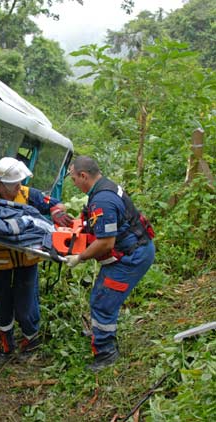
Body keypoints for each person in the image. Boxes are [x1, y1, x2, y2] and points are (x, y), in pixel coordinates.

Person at [65, 156, 155, 371]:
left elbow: (105, 242)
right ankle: (101, 334)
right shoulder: (104, 187)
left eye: (73, 179)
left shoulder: (102, 200)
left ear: (83, 176)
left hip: (132, 257)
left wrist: (80, 257)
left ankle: (106, 353)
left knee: (103, 301)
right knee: (100, 295)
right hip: (132, 250)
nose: (73, 183)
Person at [0, 157, 73, 365]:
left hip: (27, 261)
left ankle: (30, 341)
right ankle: (5, 347)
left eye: (19, 183)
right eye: (14, 184)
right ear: (2, 184)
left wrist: (57, 212)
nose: (18, 187)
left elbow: (53, 204)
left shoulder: (29, 194)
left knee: (27, 304)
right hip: (0, 263)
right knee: (2, 304)